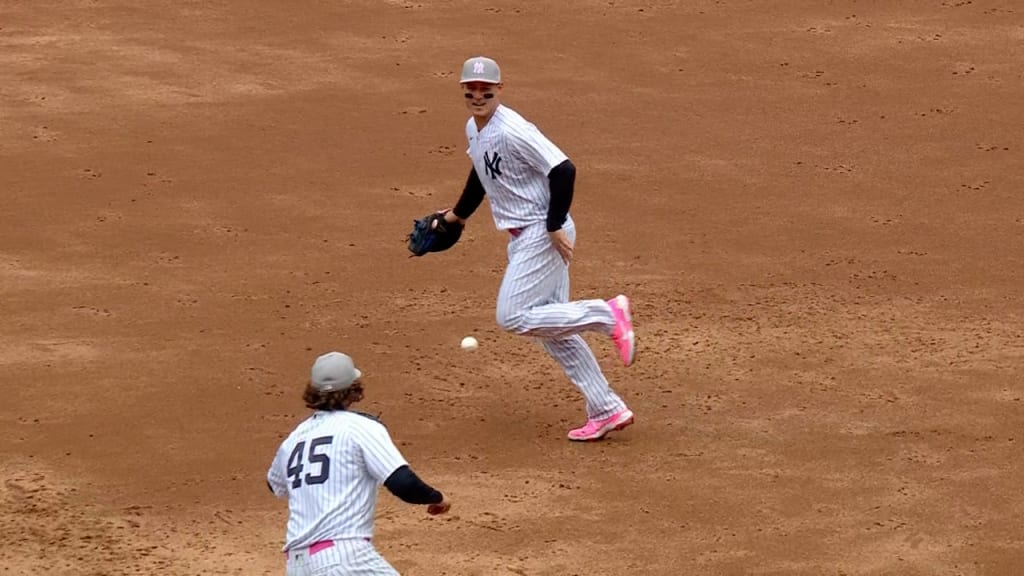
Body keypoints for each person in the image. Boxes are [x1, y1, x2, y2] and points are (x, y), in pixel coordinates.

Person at [439, 55, 637, 442]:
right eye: (471, 89)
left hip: (542, 233)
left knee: (512, 316)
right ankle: (607, 408)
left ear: (499, 90)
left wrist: (552, 224)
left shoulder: (513, 129)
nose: (478, 95)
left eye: (486, 90)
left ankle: (608, 314)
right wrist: (457, 216)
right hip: (525, 235)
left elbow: (563, 169)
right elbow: (483, 174)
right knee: (554, 331)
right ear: (463, 89)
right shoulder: (474, 128)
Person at [267, 351, 451, 575]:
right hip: (344, 559)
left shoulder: (295, 438)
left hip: (297, 566)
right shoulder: (360, 427)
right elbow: (402, 483)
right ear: (353, 389)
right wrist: (437, 498)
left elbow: (274, 484)